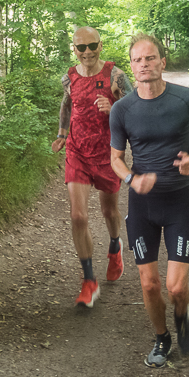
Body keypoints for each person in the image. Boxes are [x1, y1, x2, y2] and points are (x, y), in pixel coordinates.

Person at [109, 33, 189, 367]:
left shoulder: (186, 99)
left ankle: (183, 318)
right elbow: (115, 159)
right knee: (150, 284)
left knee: (176, 288)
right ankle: (162, 338)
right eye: (137, 60)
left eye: (150, 58)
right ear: (131, 67)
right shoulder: (123, 109)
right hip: (142, 206)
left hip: (179, 200)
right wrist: (132, 180)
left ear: (162, 62)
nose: (144, 65)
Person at [51, 26, 132, 309]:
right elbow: (67, 103)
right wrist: (62, 134)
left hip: (109, 153)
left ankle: (115, 245)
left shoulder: (115, 75)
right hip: (77, 152)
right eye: (81, 47)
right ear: (73, 49)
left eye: (92, 46)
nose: (87, 52)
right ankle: (89, 281)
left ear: (101, 45)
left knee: (109, 210)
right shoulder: (69, 77)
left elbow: (135, 108)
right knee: (78, 217)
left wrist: (114, 109)